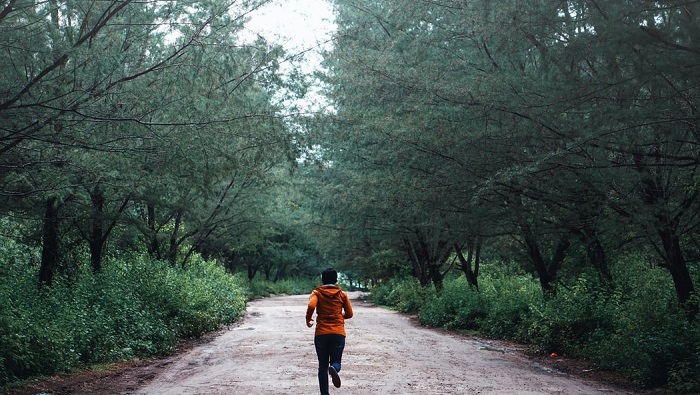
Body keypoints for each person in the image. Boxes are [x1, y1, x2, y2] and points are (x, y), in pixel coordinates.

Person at [306, 268, 354, 395]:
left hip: (321, 333)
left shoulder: (317, 292)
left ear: (322, 280)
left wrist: (308, 318)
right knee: (336, 361)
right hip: (338, 333)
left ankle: (324, 394)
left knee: (322, 366)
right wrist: (337, 316)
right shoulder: (342, 294)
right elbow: (349, 314)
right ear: (336, 280)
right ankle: (334, 369)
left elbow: (311, 305)